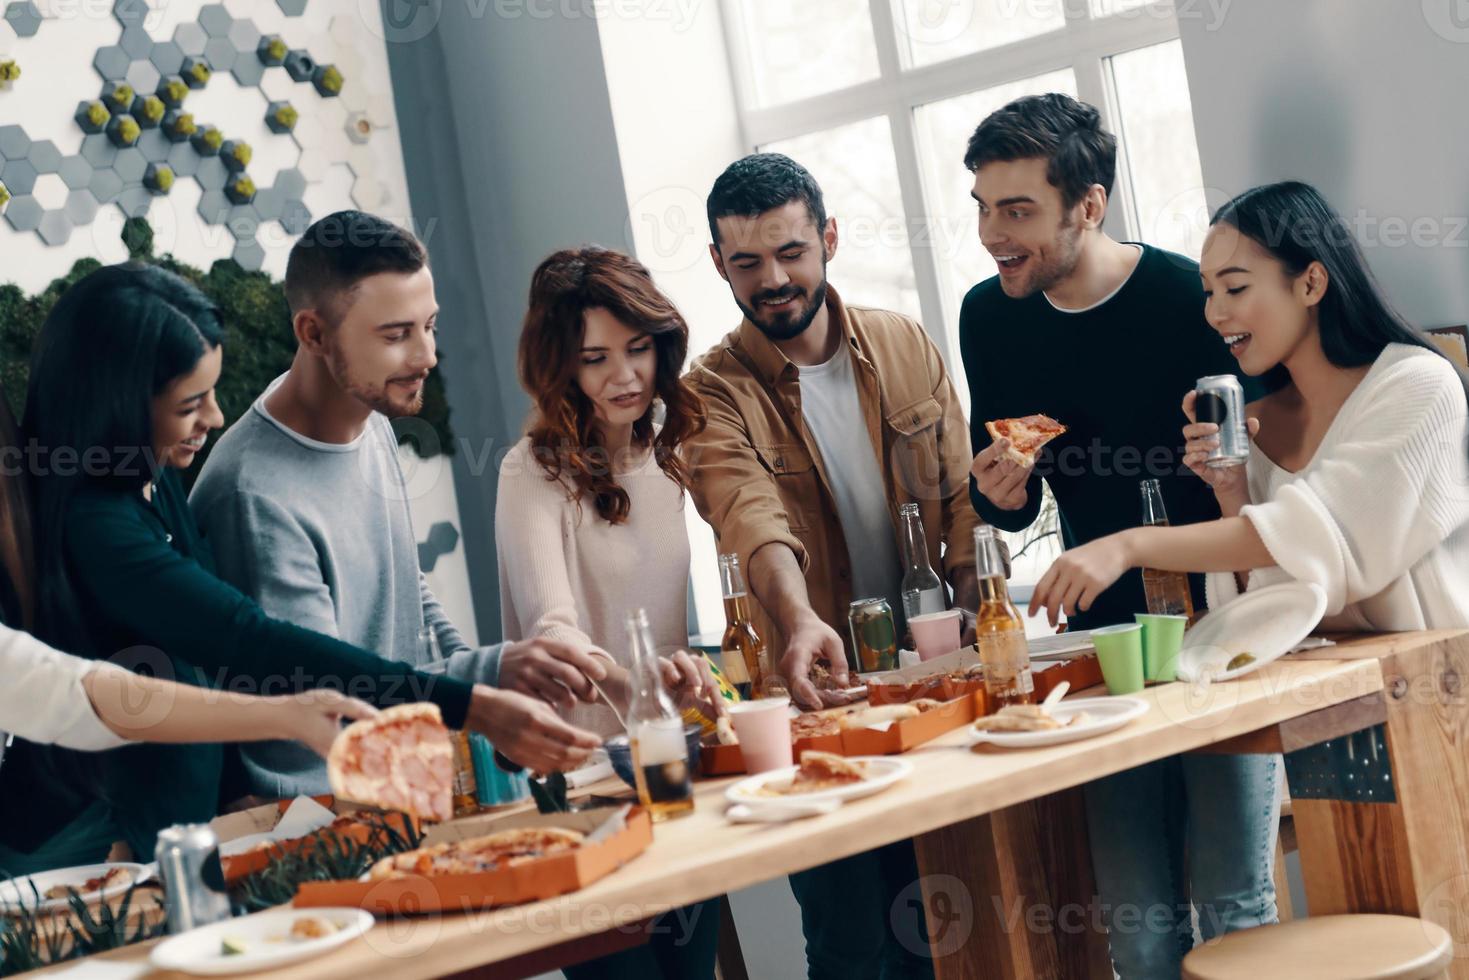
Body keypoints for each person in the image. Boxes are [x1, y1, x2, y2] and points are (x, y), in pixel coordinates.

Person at [2, 263, 600, 869]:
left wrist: (237, 792)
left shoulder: (149, 477)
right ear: (118, 407)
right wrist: (472, 703)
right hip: (97, 854)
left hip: (191, 827)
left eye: (212, 391)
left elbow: (207, 665)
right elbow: (245, 639)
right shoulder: (95, 525)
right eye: (190, 403)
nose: (212, 418)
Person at [958, 93, 1272, 977]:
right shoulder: (989, 317)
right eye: (982, 207)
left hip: (1220, 633)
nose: (992, 234)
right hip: (1098, 651)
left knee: (1234, 910)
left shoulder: (1187, 299)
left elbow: (1267, 474)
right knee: (1135, 932)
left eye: (1016, 210)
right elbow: (1012, 509)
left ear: (1087, 206)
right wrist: (998, 492)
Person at [191, 211, 611, 803]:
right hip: (314, 814)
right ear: (312, 334)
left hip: (402, 785)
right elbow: (328, 698)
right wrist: (484, 677)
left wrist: (486, 680)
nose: (426, 357)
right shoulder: (252, 496)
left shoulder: (370, 422)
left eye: (430, 326)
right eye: (396, 336)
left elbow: (405, 593)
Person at [685, 153, 980, 979]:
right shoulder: (708, 391)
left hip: (932, 688)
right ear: (718, 265)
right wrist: (799, 616)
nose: (772, 279)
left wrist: (973, 607)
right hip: (811, 708)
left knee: (949, 924)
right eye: (746, 263)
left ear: (828, 240)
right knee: (852, 944)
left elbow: (960, 499)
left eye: (790, 253)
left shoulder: (901, 341)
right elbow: (749, 513)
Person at [1030, 179, 1469, 632]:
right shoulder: (1257, 424)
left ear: (1311, 284)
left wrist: (1127, 546)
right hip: (1331, 683)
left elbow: (1316, 535)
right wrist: (1231, 489)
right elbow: (1276, 596)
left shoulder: (1417, 385)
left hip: (1437, 682)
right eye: (1208, 292)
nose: (1215, 313)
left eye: (1235, 288)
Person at [498, 245, 723, 979]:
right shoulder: (531, 471)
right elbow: (552, 630)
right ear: (561, 365)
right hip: (582, 786)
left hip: (670, 764)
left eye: (637, 349)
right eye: (595, 359)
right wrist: (637, 687)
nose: (624, 376)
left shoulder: (669, 454)